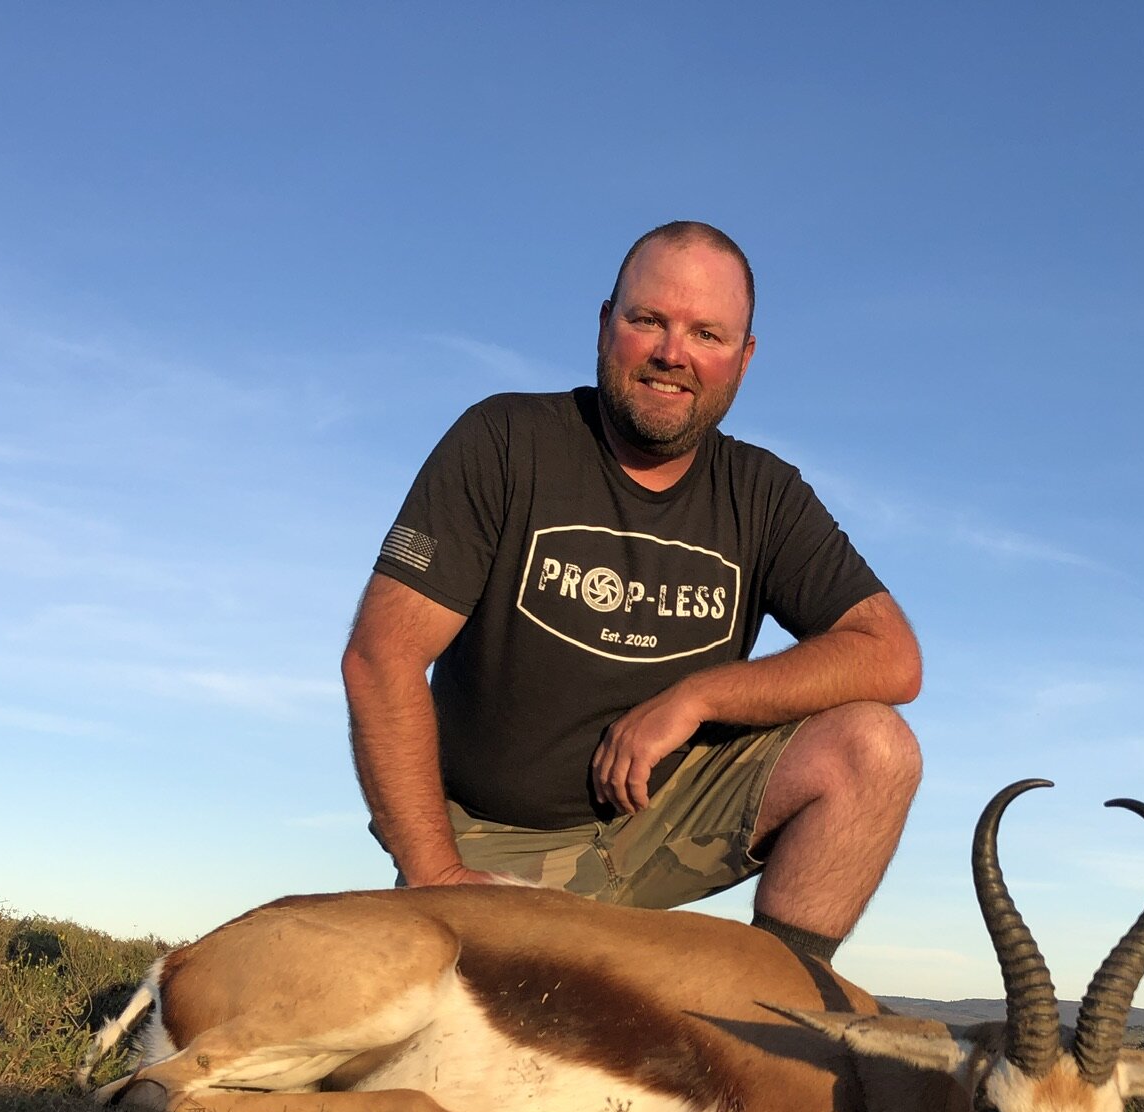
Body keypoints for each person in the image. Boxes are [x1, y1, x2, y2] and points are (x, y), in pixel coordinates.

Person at [341, 221, 921, 964]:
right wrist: (435, 874)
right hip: (495, 844)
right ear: (605, 323)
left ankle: (783, 1016)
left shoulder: (764, 493)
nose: (672, 353)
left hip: (663, 826)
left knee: (875, 748)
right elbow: (380, 657)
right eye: (648, 320)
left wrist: (696, 699)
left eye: (707, 334)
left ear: (742, 361)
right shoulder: (504, 440)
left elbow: (891, 657)